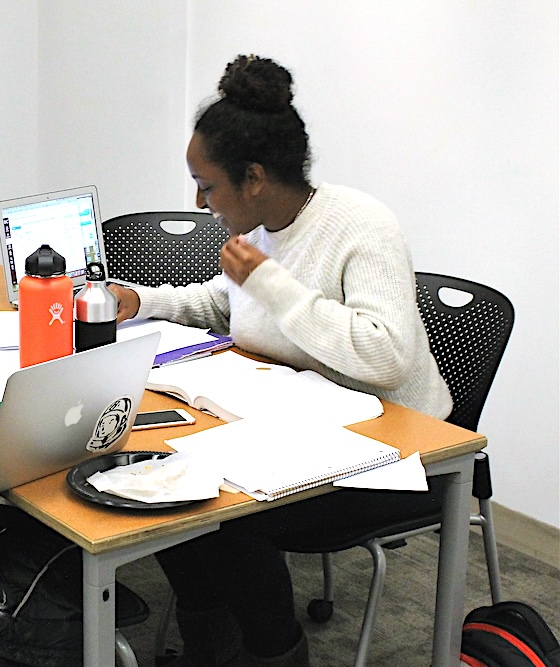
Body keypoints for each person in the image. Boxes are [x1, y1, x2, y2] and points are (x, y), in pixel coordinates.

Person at [109, 55, 452, 666]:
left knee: (230, 516)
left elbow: (387, 355)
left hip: (395, 450)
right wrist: (143, 300)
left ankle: (276, 654)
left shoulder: (361, 226)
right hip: (300, 429)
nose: (199, 199)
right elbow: (231, 303)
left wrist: (272, 284)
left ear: (256, 177)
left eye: (208, 185)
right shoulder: (264, 227)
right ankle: (212, 648)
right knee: (158, 481)